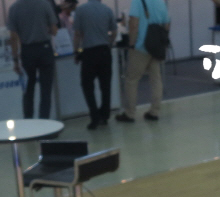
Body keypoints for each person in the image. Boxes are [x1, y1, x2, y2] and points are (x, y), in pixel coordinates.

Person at [115, 0, 168, 123]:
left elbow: (133, 24)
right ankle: (154, 112)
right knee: (156, 79)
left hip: (141, 47)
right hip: (155, 47)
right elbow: (167, 24)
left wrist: (131, 43)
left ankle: (130, 113)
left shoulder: (138, 1)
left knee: (131, 80)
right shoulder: (160, 2)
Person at [8, 0, 58, 119]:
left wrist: (15, 60)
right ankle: (44, 122)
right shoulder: (44, 4)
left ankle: (28, 122)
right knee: (46, 90)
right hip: (45, 49)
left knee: (28, 90)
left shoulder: (14, 8)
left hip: (27, 51)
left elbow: (13, 37)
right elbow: (54, 31)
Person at [72, 0, 116, 129]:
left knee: (87, 85)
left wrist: (76, 51)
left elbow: (77, 34)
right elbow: (114, 32)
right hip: (104, 52)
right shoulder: (107, 10)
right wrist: (109, 43)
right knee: (105, 86)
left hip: (89, 53)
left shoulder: (81, 10)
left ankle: (94, 116)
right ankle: (105, 115)